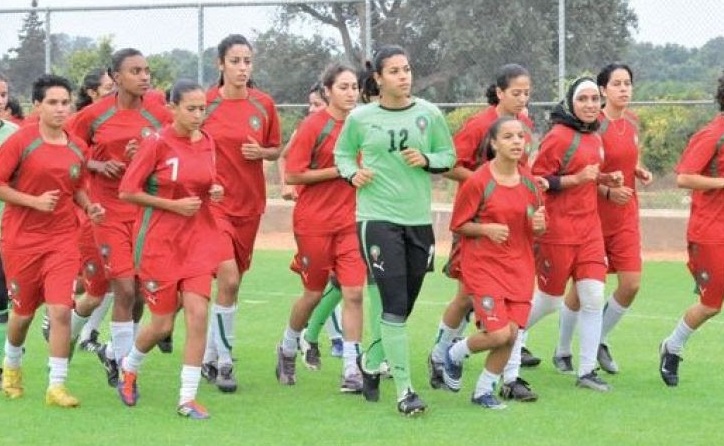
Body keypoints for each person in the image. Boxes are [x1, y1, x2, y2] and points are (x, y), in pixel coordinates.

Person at [335, 45, 456, 415]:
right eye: (395, 71)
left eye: (407, 69)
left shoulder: (429, 114)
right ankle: (405, 391)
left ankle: (370, 364)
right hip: (376, 219)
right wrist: (353, 173)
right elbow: (342, 155)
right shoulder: (360, 118)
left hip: (418, 222)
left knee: (403, 307)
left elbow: (448, 157)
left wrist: (428, 159)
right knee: (394, 303)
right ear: (379, 79)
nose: (404, 76)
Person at [428, 64, 541, 401]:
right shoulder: (478, 126)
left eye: (527, 92)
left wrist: (521, 198)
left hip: (513, 233)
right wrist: (487, 185)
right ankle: (440, 355)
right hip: (480, 225)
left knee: (507, 324)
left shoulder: (526, 126)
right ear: (499, 92)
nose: (522, 99)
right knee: (465, 298)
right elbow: (448, 164)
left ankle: (505, 379)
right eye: (516, 93)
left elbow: (525, 176)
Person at [116, 79, 222, 419]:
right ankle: (129, 368)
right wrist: (172, 205)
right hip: (159, 244)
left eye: (202, 109)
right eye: (190, 108)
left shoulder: (207, 141)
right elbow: (127, 191)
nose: (197, 115)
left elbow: (208, 182)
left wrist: (215, 190)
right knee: (161, 325)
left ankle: (186, 399)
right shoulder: (156, 143)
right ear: (172, 108)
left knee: (198, 312)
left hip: (198, 241)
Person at [67, 48, 172, 388]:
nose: (145, 76)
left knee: (141, 294)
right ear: (115, 77)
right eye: (136, 71)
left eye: (147, 70)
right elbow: (67, 149)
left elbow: (170, 152)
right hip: (106, 211)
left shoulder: (158, 116)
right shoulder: (93, 115)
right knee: (122, 289)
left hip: (143, 213)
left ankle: (114, 353)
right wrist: (97, 165)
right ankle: (128, 375)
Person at [0, 74, 104, 407]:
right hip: (22, 240)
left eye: (65, 102)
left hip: (62, 239)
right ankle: (12, 366)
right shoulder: (21, 141)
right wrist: (32, 201)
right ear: (38, 106)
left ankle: (56, 386)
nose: (61, 109)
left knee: (61, 310)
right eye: (53, 103)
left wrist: (91, 206)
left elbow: (78, 187)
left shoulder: (76, 146)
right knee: (23, 315)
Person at [549, 64, 653, 375]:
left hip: (626, 218)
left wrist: (638, 169)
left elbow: (617, 160)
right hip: (592, 216)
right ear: (603, 90)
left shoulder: (631, 124)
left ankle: (598, 341)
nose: (624, 89)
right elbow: (585, 169)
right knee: (582, 291)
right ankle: (563, 350)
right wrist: (607, 194)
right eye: (617, 84)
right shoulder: (593, 126)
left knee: (631, 284)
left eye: (628, 83)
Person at [275, 63, 365, 392]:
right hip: (313, 222)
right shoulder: (314, 126)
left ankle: (352, 368)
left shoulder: (364, 124)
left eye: (354, 86)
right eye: (343, 86)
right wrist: (340, 171)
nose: (351, 92)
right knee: (313, 294)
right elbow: (294, 175)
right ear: (327, 90)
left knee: (354, 292)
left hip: (351, 223)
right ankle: (287, 347)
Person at [200, 34, 281, 393]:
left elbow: (277, 149)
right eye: (235, 61)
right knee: (228, 279)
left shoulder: (264, 105)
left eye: (247, 61)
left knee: (233, 285)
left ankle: (207, 353)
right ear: (221, 65)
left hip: (250, 205)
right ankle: (225, 362)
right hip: (214, 207)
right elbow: (184, 143)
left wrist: (261, 152)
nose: (242, 68)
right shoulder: (203, 104)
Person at [659, 72, 724, 387]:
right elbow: (684, 177)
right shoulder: (713, 134)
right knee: (711, 305)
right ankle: (672, 346)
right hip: (710, 232)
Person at [0, 72, 19, 386]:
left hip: (8, 230)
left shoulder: (15, 135)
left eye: (3, 94)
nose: (0, 101)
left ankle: (6, 365)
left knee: (6, 301)